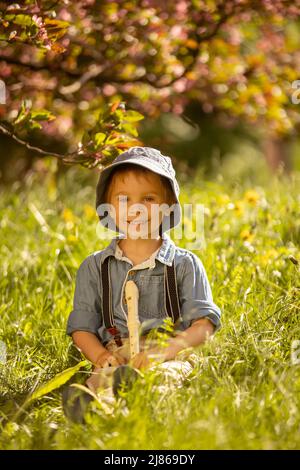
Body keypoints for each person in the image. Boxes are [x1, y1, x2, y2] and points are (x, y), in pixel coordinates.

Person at [63, 146, 222, 422]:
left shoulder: (184, 265)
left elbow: (204, 325)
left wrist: (168, 351)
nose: (136, 209)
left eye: (148, 199)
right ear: (108, 207)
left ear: (168, 206)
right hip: (118, 355)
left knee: (166, 378)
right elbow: (82, 327)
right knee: (104, 379)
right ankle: (93, 410)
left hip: (169, 352)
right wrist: (100, 355)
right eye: (124, 200)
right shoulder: (94, 268)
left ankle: (143, 404)